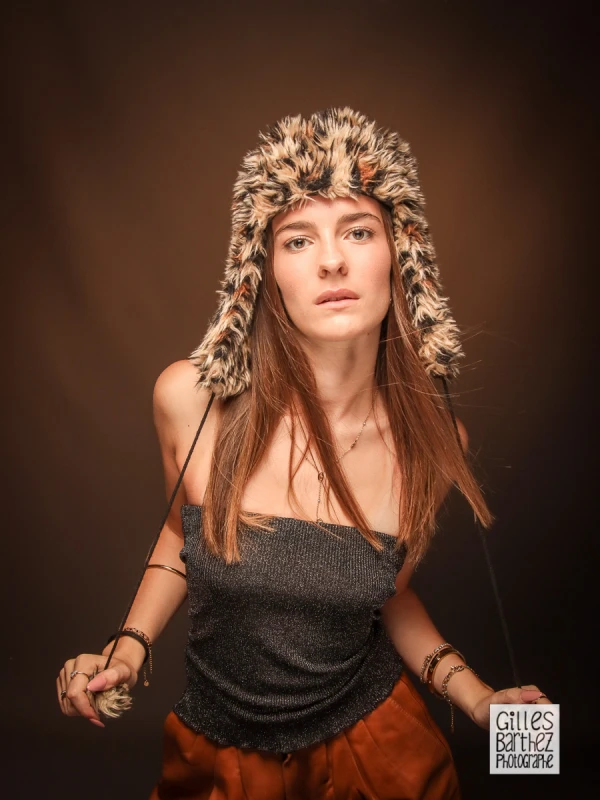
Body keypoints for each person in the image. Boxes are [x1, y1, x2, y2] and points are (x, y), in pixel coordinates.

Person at [56, 108, 551, 799]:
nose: (331, 260)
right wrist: (129, 644)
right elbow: (181, 534)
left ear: (402, 258)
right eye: (297, 239)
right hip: (222, 759)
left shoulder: (436, 445)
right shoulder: (189, 401)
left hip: (376, 754)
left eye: (358, 230)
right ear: (263, 275)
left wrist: (478, 700)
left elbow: (385, 594)